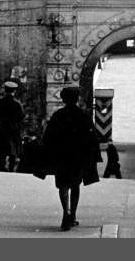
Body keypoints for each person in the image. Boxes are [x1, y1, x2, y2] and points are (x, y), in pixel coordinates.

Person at [41, 86, 100, 231]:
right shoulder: (83, 115)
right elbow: (91, 137)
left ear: (63, 98)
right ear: (77, 98)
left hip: (62, 156)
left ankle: (65, 212)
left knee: (63, 185)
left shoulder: (58, 115)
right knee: (75, 185)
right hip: (77, 157)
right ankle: (72, 214)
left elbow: (48, 137)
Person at [0, 80, 25, 172]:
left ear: (5, 90)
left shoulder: (0, 102)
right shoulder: (17, 104)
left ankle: (1, 167)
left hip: (2, 130)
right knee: (13, 151)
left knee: (1, 150)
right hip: (13, 131)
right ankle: (11, 168)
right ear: (14, 91)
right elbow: (21, 118)